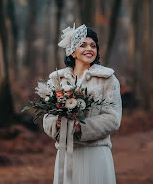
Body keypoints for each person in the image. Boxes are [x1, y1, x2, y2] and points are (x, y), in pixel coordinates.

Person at [43, 24, 122, 184]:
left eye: (93, 46)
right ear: (72, 51)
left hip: (96, 154)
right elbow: (47, 118)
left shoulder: (108, 79)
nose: (90, 49)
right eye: (83, 45)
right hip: (67, 155)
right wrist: (58, 125)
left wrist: (80, 128)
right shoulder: (56, 80)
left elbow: (113, 119)